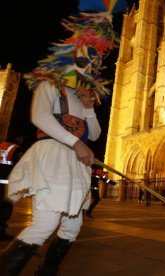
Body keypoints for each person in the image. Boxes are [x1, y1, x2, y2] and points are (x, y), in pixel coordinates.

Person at [0, 1, 128, 275]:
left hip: (75, 162)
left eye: (96, 61)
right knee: (44, 225)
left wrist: (90, 108)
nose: (91, 65)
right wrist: (76, 143)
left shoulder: (83, 100)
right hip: (52, 158)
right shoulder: (50, 85)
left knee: (72, 226)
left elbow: (94, 134)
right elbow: (41, 118)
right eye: (86, 58)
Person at [0, 140, 24, 240]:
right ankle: (1, 231)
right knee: (4, 208)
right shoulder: (13, 148)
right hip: (4, 184)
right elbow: (20, 167)